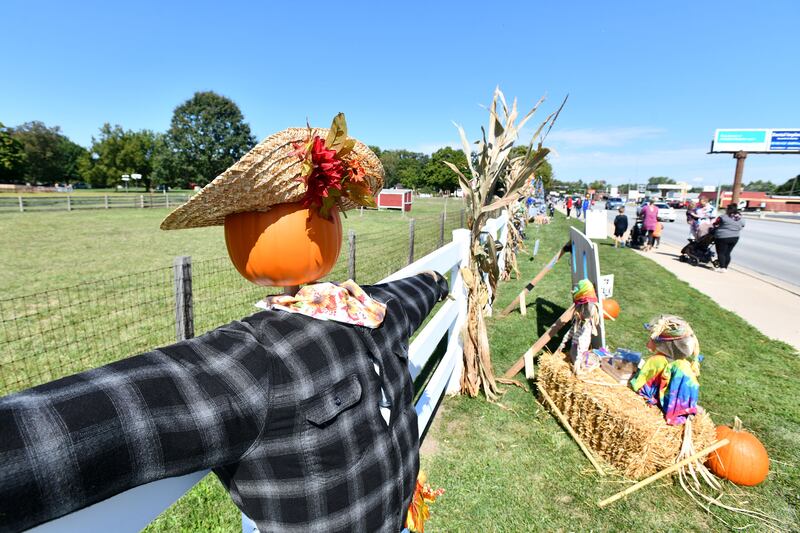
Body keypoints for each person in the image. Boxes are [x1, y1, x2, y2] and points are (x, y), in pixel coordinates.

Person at [630, 315, 703, 425]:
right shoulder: (684, 364)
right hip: (678, 406)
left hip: (662, 404)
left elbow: (639, 385)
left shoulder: (656, 361)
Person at [713, 203, 745, 272]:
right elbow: (743, 225)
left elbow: (715, 224)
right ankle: (725, 267)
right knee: (727, 253)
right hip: (735, 237)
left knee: (721, 253)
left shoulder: (723, 217)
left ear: (728, 210)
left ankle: (722, 268)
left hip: (722, 237)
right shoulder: (740, 218)